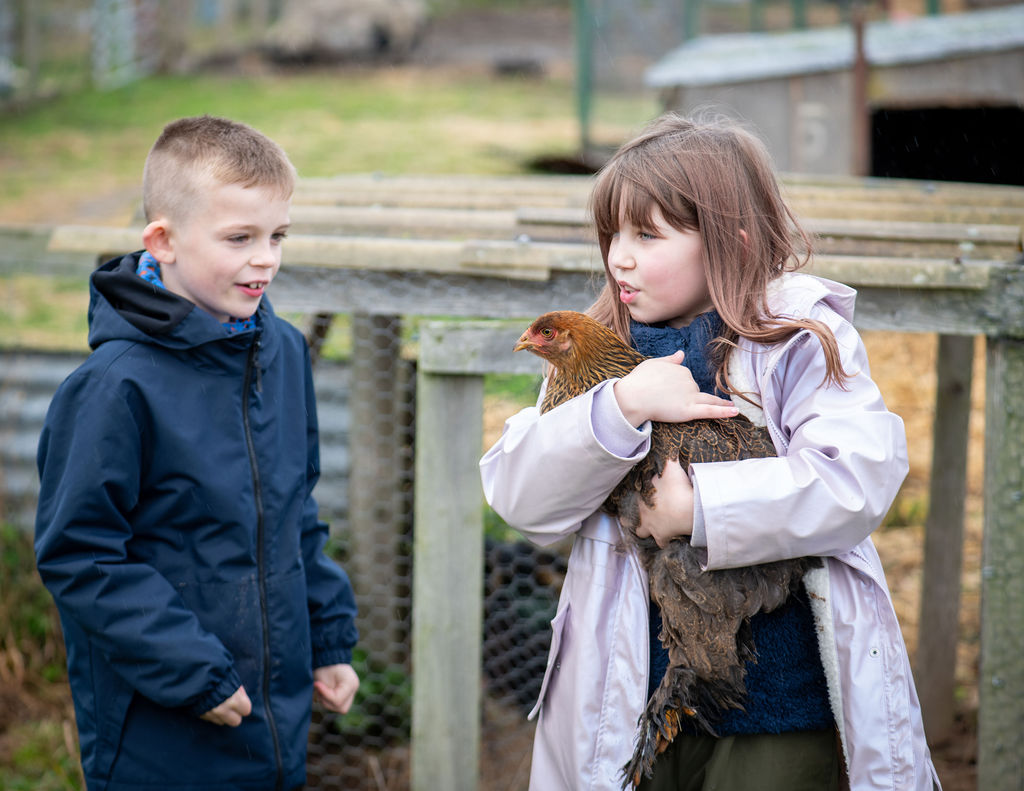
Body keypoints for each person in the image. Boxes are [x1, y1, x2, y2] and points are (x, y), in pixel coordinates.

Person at [480, 113, 940, 791]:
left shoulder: (794, 339)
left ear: (729, 240)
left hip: (776, 699)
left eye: (647, 235)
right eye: (612, 236)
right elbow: (523, 500)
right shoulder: (593, 353)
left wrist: (699, 507)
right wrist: (623, 406)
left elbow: (858, 478)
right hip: (632, 698)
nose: (619, 258)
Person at [34, 115, 359, 791]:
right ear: (164, 240)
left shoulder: (285, 353)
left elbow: (296, 510)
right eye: (239, 238)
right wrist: (193, 674)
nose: (265, 257)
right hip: (162, 731)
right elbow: (82, 553)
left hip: (275, 723)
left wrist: (327, 640)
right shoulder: (112, 387)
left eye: (277, 236)